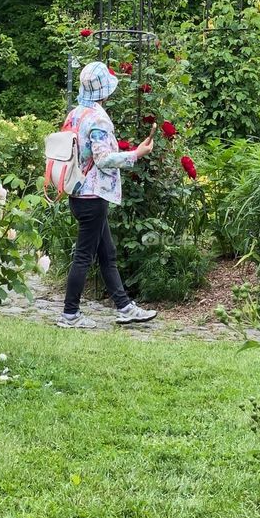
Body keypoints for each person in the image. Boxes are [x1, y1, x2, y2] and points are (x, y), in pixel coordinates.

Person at [57, 60, 157, 328]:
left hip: (77, 192)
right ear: (105, 90)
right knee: (83, 257)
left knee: (107, 252)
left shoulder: (75, 114)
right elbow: (102, 160)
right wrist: (136, 154)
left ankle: (124, 307)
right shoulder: (98, 119)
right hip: (93, 197)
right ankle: (70, 315)